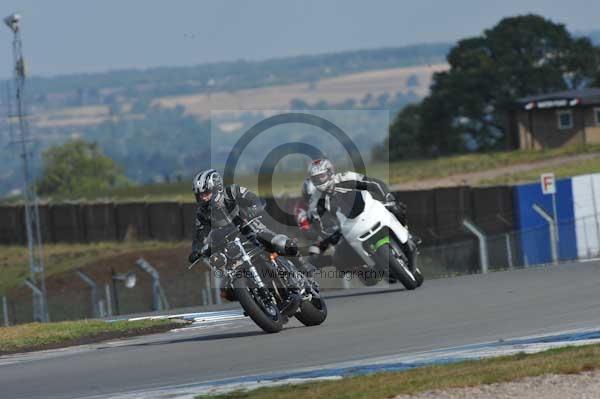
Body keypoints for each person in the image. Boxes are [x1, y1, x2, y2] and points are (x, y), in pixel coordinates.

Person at [188, 169, 316, 295]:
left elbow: (255, 199)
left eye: (206, 193)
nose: (203, 198)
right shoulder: (201, 213)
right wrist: (196, 250)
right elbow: (199, 234)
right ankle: (255, 295)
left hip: (251, 229)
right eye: (200, 195)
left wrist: (253, 209)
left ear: (217, 188)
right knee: (226, 287)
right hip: (229, 243)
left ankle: (304, 268)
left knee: (282, 244)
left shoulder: (232, 191)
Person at [305, 159, 417, 270]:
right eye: (316, 178)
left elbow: (374, 183)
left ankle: (407, 233)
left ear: (330, 173)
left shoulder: (346, 177)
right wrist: (330, 233)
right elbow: (319, 221)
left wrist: (387, 197)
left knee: (395, 207)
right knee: (340, 257)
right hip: (348, 225)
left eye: (322, 176)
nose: (319, 180)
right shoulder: (315, 199)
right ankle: (368, 266)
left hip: (368, 207)